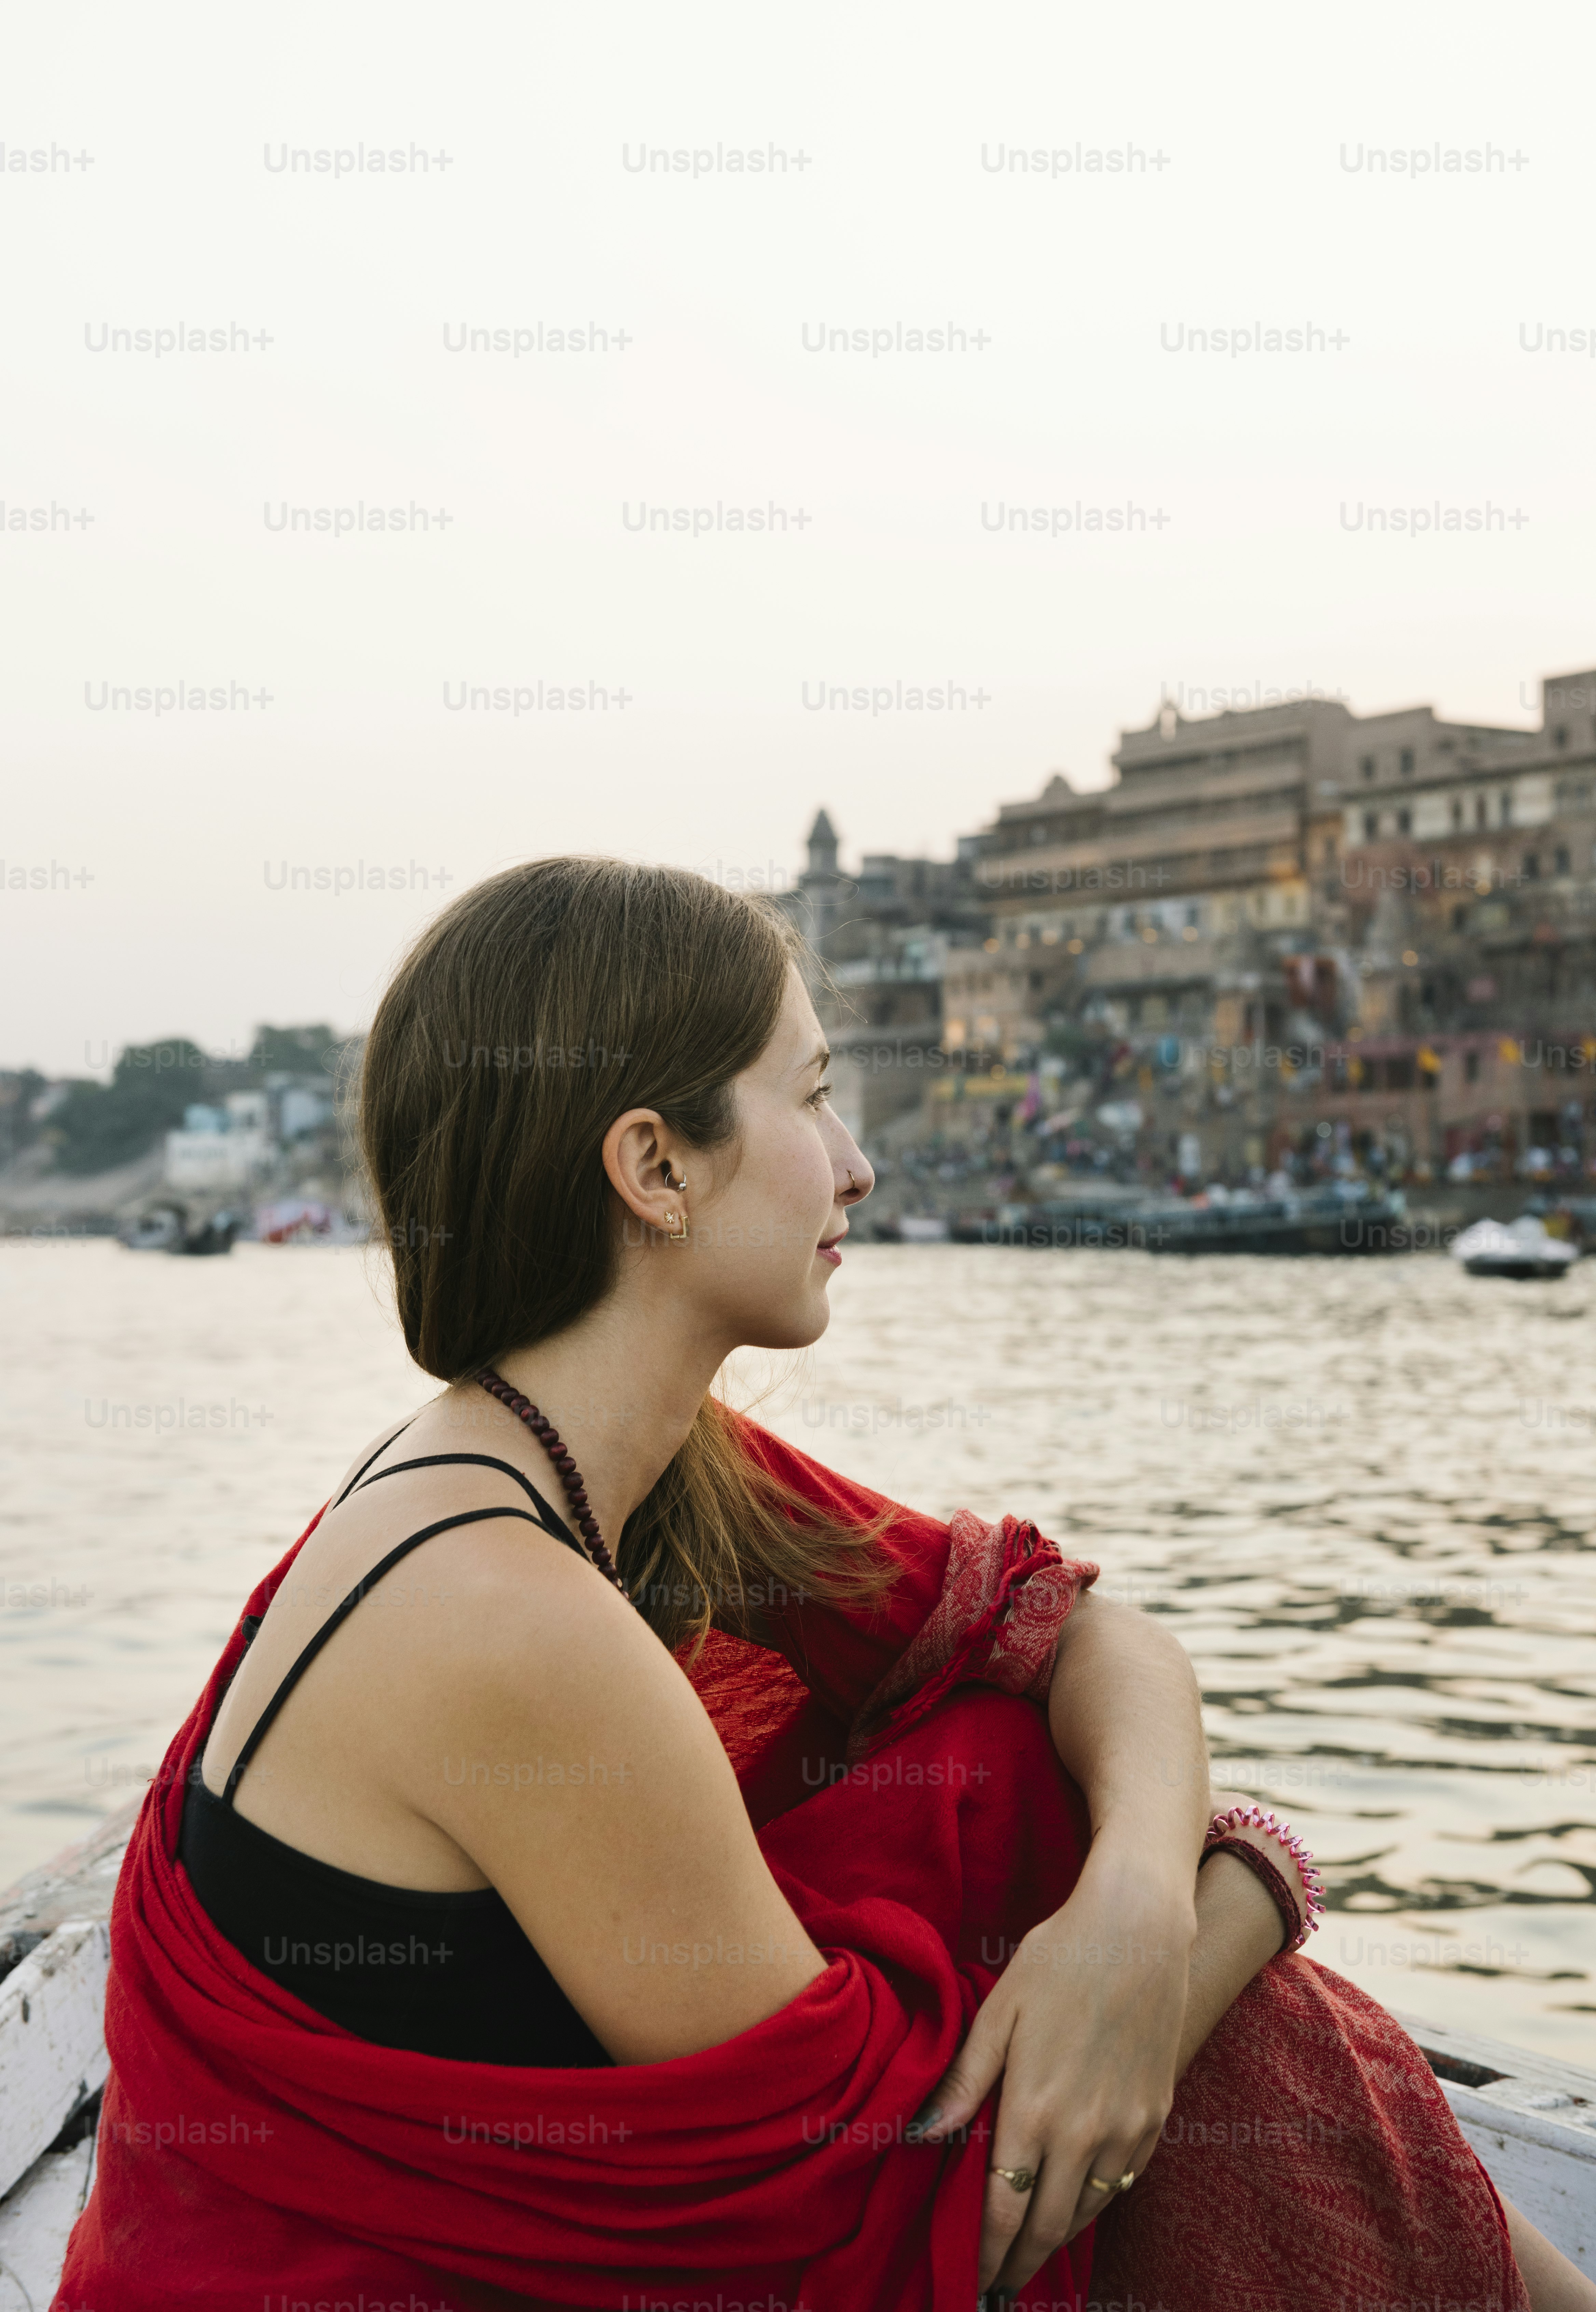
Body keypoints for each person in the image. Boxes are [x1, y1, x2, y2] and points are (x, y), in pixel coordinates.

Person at [63, 859, 1593, 2311]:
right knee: (1016, 1821)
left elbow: (1081, 1634)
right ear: (654, 1167)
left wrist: (1136, 1904)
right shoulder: (505, 1611)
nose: (858, 1161)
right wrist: (1246, 1886)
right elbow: (922, 2206)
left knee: (1009, 1765)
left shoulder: (607, 1462)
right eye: (808, 1097)